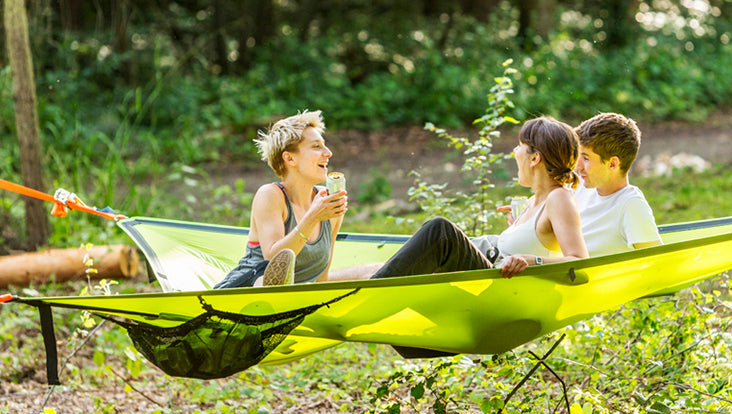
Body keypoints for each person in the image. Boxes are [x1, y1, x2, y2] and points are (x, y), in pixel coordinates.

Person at [367, 116, 589, 280]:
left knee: (440, 231)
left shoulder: (559, 197)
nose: (514, 151)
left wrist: (534, 261)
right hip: (488, 263)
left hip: (498, 285)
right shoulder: (532, 202)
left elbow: (580, 265)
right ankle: (349, 286)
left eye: (520, 146)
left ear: (534, 158)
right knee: (384, 266)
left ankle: (371, 296)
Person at [213, 110, 348, 289]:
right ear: (290, 158)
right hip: (250, 289)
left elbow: (322, 275)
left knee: (375, 271)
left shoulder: (326, 201)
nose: (328, 153)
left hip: (300, 294)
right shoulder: (270, 195)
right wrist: (313, 216)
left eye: (325, 145)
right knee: (270, 278)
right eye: (316, 146)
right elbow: (273, 258)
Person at [572, 112, 661, 254]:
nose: (578, 166)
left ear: (613, 164)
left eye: (586, 158)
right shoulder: (579, 189)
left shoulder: (630, 205)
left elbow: (656, 264)